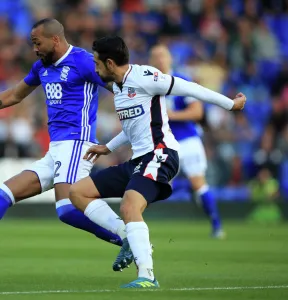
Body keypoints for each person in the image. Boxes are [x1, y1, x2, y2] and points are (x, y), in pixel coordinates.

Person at [69, 35, 246, 289]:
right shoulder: (118, 87)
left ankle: (147, 275)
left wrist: (230, 104)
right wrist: (107, 147)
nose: (95, 68)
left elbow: (190, 88)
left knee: (130, 205)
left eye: (97, 63)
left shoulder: (145, 77)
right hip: (139, 158)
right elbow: (132, 128)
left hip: (160, 153)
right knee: (78, 192)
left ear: (109, 63)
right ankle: (127, 235)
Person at [0, 19, 122, 247]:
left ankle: (125, 237)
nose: (34, 49)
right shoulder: (41, 67)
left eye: (37, 43)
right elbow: (15, 95)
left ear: (55, 39)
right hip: (55, 149)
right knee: (3, 194)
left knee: (66, 210)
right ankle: (126, 237)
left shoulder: (83, 61)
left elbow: (118, 86)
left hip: (77, 143)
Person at [149, 44, 224, 238]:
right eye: (155, 56)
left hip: (187, 140)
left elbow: (197, 112)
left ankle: (217, 226)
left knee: (199, 183)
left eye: (162, 56)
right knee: (154, 184)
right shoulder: (148, 86)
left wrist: (169, 115)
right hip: (163, 144)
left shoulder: (181, 81)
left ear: (170, 59)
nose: (159, 60)